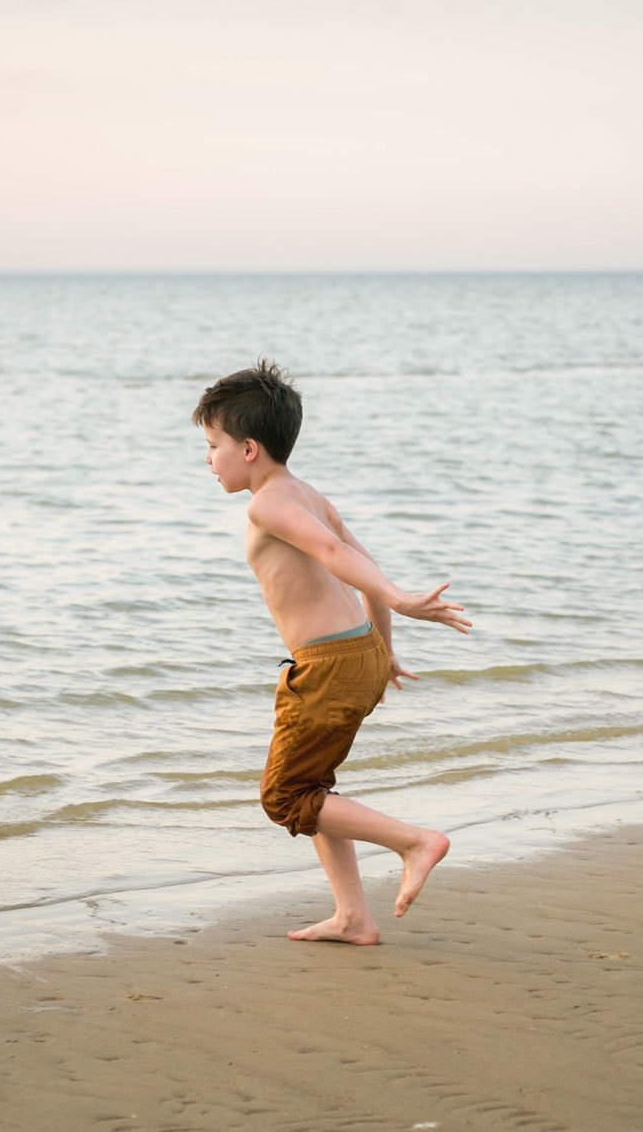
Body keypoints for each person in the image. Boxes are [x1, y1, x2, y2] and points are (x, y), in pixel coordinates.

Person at [194, 360, 470, 944]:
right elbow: (362, 569)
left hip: (328, 666)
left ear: (248, 449)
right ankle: (353, 916)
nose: (207, 458)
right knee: (313, 787)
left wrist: (399, 600)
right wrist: (384, 651)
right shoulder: (309, 494)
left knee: (285, 797)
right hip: (358, 653)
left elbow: (334, 554)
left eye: (212, 444)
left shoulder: (266, 504)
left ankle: (415, 841)